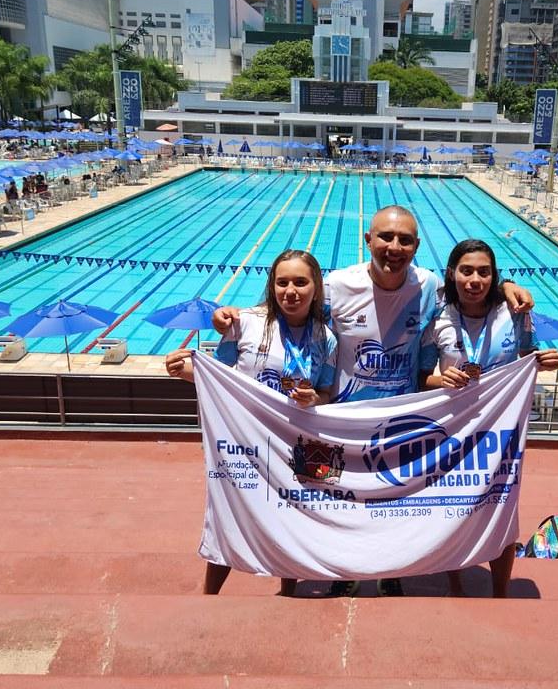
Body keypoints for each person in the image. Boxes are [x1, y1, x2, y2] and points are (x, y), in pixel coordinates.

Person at [213, 206, 534, 597]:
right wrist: (240, 318)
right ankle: (337, 570)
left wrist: (507, 285)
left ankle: (391, 569)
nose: (394, 247)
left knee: (393, 504)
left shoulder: (428, 286)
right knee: (330, 503)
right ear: (368, 240)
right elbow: (293, 303)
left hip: (399, 420)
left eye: (404, 240)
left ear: (417, 246)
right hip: (339, 422)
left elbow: (468, 287)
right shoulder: (337, 285)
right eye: (385, 237)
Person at [165, 249, 337, 597]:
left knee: (293, 518)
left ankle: (288, 589)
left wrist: (314, 399)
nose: (291, 290)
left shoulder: (326, 339)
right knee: (232, 514)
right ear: (272, 286)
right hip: (245, 442)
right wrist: (181, 369)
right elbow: (218, 374)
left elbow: (328, 393)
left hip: (295, 443)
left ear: (316, 288)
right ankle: (209, 595)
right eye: (282, 282)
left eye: (300, 282)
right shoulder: (246, 323)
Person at [418, 239, 558, 598]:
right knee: (452, 507)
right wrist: (440, 379)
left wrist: (545, 361)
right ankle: (456, 584)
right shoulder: (437, 318)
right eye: (467, 271)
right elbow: (420, 377)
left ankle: (500, 592)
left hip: (502, 429)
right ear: (452, 274)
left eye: (484, 272)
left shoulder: (515, 313)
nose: (475, 280)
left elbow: (529, 356)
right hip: (455, 427)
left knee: (502, 509)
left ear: (494, 276)